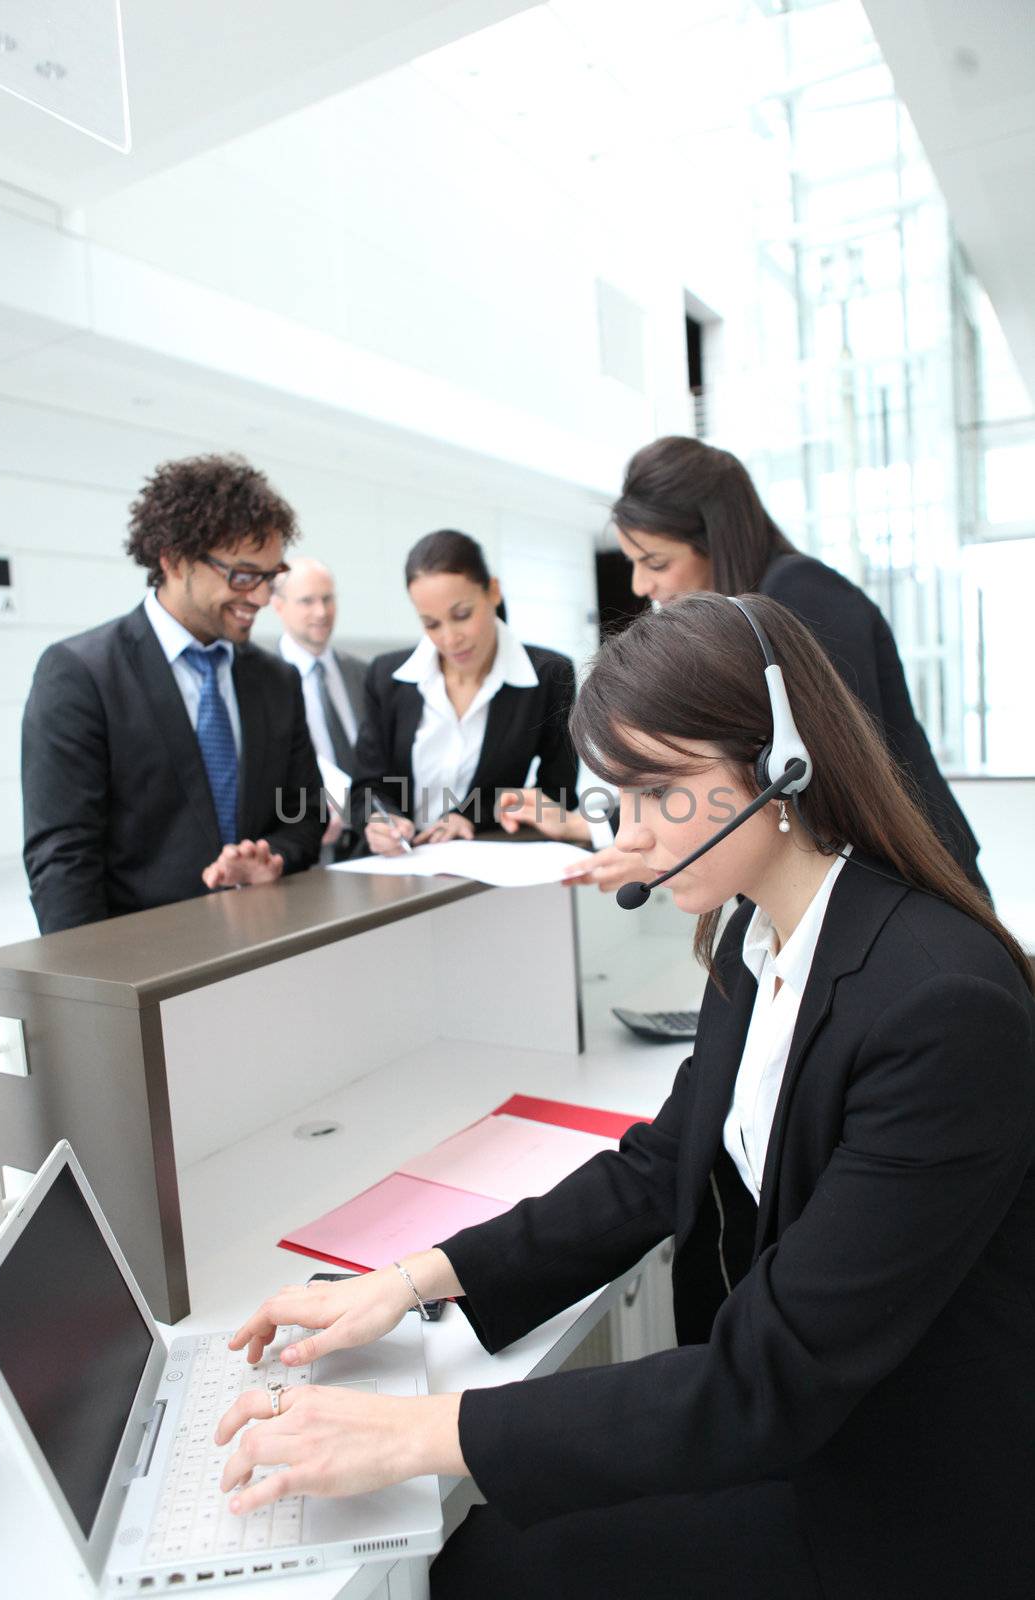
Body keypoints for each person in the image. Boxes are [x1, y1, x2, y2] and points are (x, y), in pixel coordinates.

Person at [213, 593, 1032, 1600]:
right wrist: (408, 1282)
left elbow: (765, 1376)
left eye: (659, 792)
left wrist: (417, 1431)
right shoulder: (756, 933)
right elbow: (657, 1167)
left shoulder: (936, 1004)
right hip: (804, 1430)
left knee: (483, 1561)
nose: (631, 833)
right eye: (620, 795)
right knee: (479, 1537)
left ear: (779, 765)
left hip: (897, 1499)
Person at [502, 436, 986, 898]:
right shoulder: (745, 621)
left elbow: (821, 773)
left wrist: (672, 847)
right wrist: (593, 825)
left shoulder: (803, 597)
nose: (640, 584)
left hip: (901, 877)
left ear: (715, 541)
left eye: (655, 561)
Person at [21, 454, 323, 933]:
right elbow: (64, 860)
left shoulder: (275, 680)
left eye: (269, 577)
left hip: (265, 946)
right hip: (143, 961)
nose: (262, 598)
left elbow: (305, 819)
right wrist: (93, 990)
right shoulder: (81, 674)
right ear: (174, 559)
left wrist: (274, 858)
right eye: (243, 576)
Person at [347, 529, 578, 852]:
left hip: (487, 860)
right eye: (431, 624)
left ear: (493, 592)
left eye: (461, 615)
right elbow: (365, 789)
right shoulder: (386, 677)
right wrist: (379, 819)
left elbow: (558, 795)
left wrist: (471, 817)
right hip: (396, 864)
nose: (450, 638)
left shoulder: (549, 676)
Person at [271, 556, 367, 859]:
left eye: (327, 599)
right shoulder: (262, 684)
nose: (321, 612)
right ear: (278, 606)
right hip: (308, 847)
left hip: (371, 844)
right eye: (306, 601)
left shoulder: (363, 675)